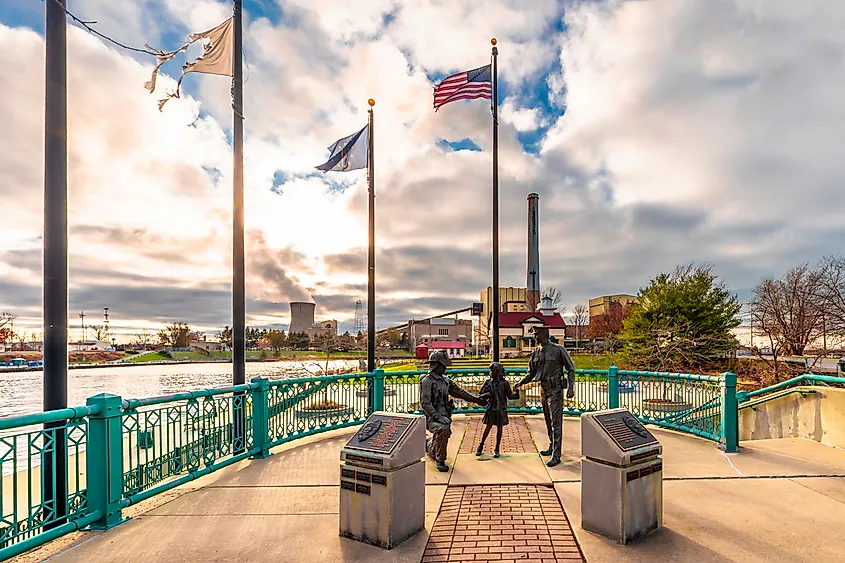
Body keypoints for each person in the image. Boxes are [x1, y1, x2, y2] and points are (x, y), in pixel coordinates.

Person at [514, 326, 575, 467]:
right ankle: (552, 446)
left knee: (556, 423)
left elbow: (571, 368)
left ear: (543, 335)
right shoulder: (535, 353)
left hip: (555, 390)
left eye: (536, 335)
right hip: (543, 389)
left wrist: (571, 388)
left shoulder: (558, 349)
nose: (534, 337)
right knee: (548, 420)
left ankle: (557, 454)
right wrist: (519, 383)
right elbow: (531, 373)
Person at [420, 350, 484, 472]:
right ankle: (440, 459)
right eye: (443, 365)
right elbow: (425, 404)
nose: (445, 368)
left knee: (440, 438)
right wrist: (438, 417)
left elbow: (460, 392)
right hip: (431, 418)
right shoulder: (427, 381)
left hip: (445, 416)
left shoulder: (446, 380)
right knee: (443, 429)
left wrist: (476, 400)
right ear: (436, 365)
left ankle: (429, 445)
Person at [476, 362, 520, 458]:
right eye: (490, 371)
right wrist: (487, 395)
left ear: (498, 372)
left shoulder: (504, 383)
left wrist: (517, 394)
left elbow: (509, 396)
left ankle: (497, 448)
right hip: (491, 408)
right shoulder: (488, 382)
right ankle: (481, 445)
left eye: (492, 371)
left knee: (500, 429)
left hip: (501, 409)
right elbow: (481, 394)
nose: (490, 373)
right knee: (488, 428)